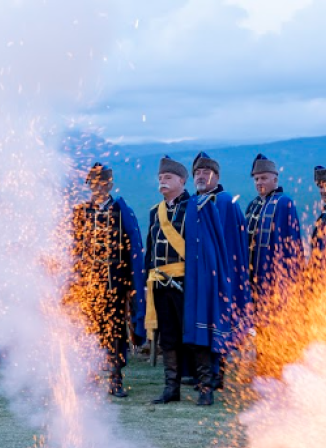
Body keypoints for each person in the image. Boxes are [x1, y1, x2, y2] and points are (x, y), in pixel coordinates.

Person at [144, 156, 231, 406]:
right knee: (168, 338)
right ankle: (171, 388)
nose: (163, 182)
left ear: (182, 181)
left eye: (168, 178)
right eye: (160, 178)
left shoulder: (199, 207)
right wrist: (145, 277)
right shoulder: (155, 212)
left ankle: (205, 388)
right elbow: (151, 250)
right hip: (160, 283)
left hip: (188, 284)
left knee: (195, 335)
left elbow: (209, 250)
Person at [69, 163, 145, 397]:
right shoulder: (81, 212)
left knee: (114, 332)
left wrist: (131, 286)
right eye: (94, 184)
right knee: (89, 332)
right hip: (88, 285)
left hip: (115, 285)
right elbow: (74, 248)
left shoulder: (121, 211)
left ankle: (115, 379)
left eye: (102, 183)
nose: (98, 188)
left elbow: (132, 248)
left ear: (110, 185)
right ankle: (90, 377)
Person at [191, 151, 249, 390]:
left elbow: (233, 243)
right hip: (200, 276)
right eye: (197, 172)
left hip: (222, 275)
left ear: (216, 176)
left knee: (219, 322)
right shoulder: (193, 202)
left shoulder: (224, 202)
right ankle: (204, 374)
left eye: (206, 172)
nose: (201, 176)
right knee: (203, 323)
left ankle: (217, 375)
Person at [244, 153, 303, 310]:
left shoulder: (284, 203)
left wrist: (287, 278)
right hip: (252, 276)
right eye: (256, 179)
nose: (259, 182)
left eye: (263, 178)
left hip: (274, 276)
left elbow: (291, 244)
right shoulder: (253, 204)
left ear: (275, 180)